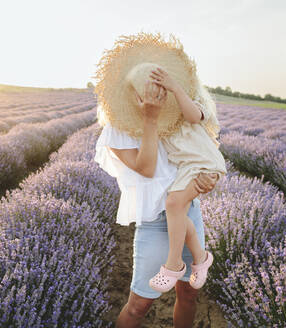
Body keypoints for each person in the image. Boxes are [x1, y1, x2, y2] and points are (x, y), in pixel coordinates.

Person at [94, 81, 219, 327]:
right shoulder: (116, 128)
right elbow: (147, 168)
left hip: (188, 212)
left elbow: (201, 151)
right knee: (138, 305)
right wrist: (150, 119)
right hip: (154, 221)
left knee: (189, 294)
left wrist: (209, 176)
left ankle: (198, 261)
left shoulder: (174, 117)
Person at [146, 65, 227, 293]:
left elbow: (193, 116)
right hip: (187, 168)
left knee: (173, 204)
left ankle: (173, 266)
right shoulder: (163, 124)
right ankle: (201, 259)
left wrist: (175, 88)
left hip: (204, 164)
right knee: (178, 213)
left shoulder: (193, 107)